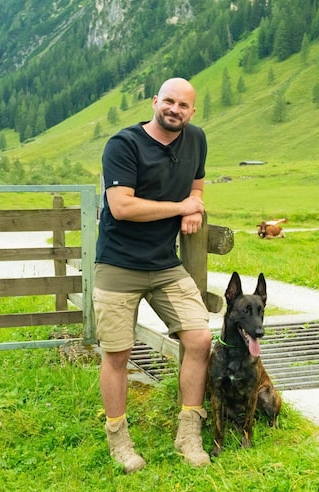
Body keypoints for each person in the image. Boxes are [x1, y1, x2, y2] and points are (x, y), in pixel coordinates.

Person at [93, 77, 212, 472]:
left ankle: (188, 432)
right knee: (118, 352)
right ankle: (119, 439)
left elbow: (197, 187)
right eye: (169, 101)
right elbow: (122, 207)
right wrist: (181, 208)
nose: (175, 109)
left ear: (192, 112)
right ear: (154, 101)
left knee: (199, 338)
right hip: (118, 264)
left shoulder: (196, 139)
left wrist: (194, 206)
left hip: (164, 264)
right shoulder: (123, 145)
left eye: (184, 105)